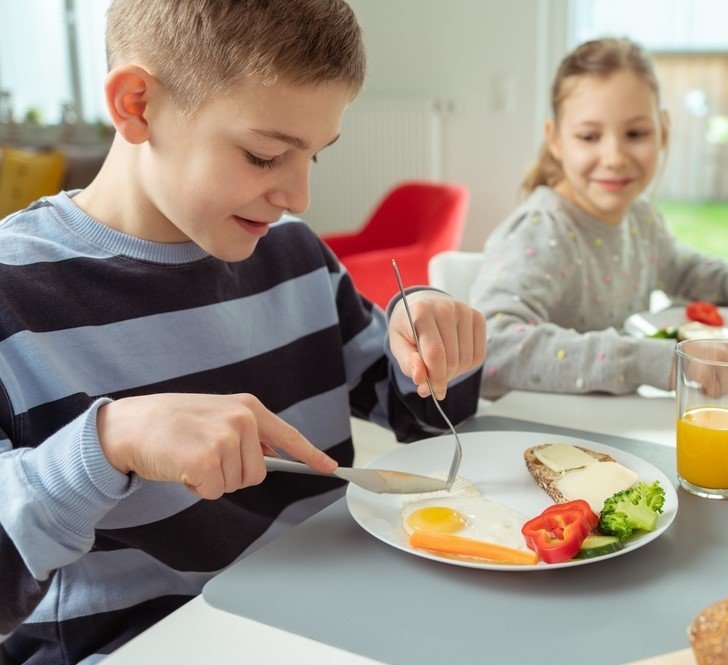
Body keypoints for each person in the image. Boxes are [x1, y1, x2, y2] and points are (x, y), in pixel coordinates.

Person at [0, 1, 485, 662]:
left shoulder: (295, 255)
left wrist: (432, 343)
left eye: (314, 156)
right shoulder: (12, 292)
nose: (299, 195)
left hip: (338, 619)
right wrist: (109, 443)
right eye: (264, 156)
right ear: (137, 105)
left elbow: (420, 417)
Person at [469, 38, 728, 399]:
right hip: (544, 436)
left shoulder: (640, 216)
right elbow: (493, 346)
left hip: (614, 426)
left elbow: (684, 270)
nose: (614, 157)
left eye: (636, 134)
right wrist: (658, 362)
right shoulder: (543, 229)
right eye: (589, 136)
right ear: (557, 141)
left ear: (663, 132)